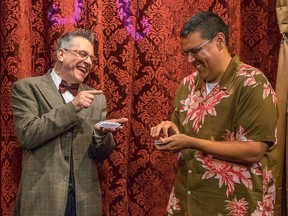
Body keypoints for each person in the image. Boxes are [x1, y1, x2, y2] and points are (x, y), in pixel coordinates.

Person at [150, 11, 278, 215]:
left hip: (234, 205)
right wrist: (169, 129)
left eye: (195, 51)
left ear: (219, 41)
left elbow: (254, 150)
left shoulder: (252, 83)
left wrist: (191, 142)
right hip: (187, 202)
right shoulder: (187, 84)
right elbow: (179, 129)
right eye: (186, 54)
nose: (190, 59)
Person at [11, 29, 128, 216]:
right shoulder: (27, 88)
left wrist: (101, 135)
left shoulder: (97, 98)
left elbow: (101, 155)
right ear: (61, 53)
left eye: (91, 58)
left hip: (84, 201)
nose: (88, 61)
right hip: (43, 197)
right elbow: (28, 135)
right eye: (82, 54)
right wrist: (72, 107)